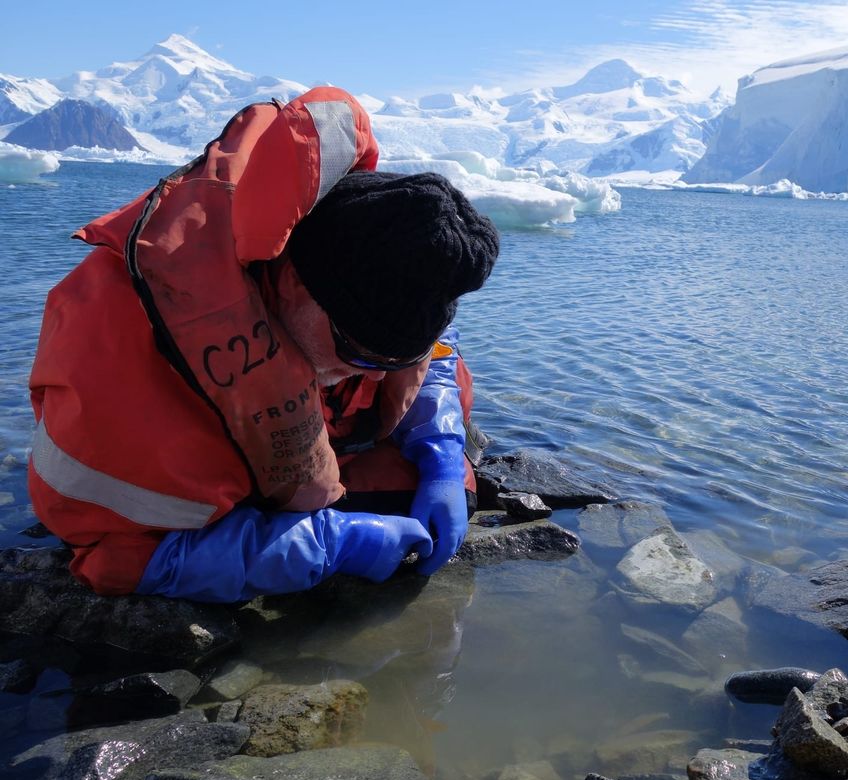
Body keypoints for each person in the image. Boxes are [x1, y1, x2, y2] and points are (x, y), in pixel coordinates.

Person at [26, 87, 499, 603]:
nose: (371, 377)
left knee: (424, 484)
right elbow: (111, 553)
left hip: (290, 436)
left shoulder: (357, 273)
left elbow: (428, 352)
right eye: (358, 354)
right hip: (174, 447)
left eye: (395, 361)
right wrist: (324, 546)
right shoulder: (120, 356)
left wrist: (443, 448)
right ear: (294, 283)